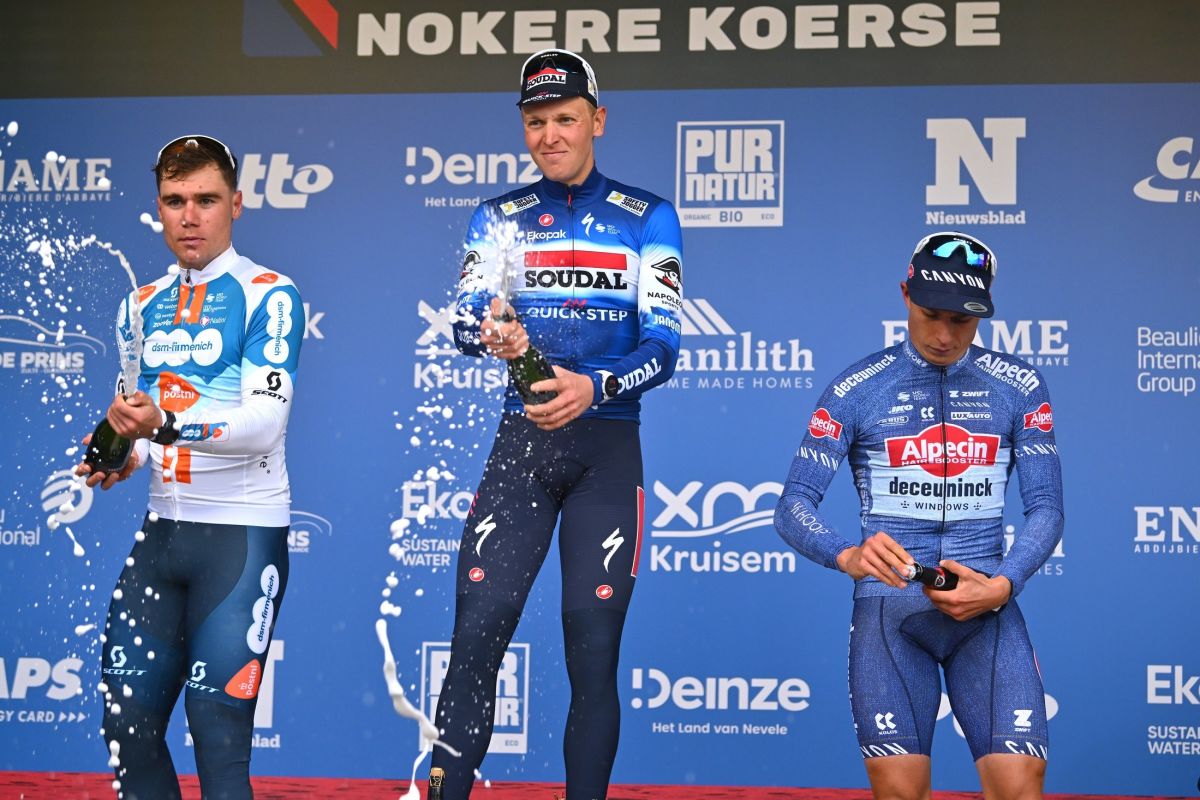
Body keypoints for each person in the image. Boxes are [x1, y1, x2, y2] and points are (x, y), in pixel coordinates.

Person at [430, 49, 684, 800]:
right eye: (536, 122)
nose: (550, 136)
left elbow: (663, 347)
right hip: (522, 450)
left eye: (565, 119)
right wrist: (492, 330)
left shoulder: (649, 217)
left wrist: (594, 384)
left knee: (593, 655)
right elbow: (464, 322)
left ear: (596, 121)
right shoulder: (497, 218)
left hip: (607, 452)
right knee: (475, 639)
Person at [774, 232, 1063, 799]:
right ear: (906, 295)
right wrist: (847, 556)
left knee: (1019, 787)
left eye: (963, 320)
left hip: (988, 610)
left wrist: (1002, 585)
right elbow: (792, 506)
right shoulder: (858, 388)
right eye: (931, 315)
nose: (944, 335)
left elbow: (1047, 509)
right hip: (891, 613)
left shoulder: (1020, 386)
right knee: (902, 794)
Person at [76, 135, 304, 800]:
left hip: (241, 536)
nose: (190, 216)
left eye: (206, 199)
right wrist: (125, 451)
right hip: (161, 538)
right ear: (159, 208)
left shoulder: (269, 294)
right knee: (126, 724)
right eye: (175, 201)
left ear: (236, 203)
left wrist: (165, 427)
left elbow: (264, 424)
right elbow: (139, 419)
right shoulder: (138, 304)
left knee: (218, 729)